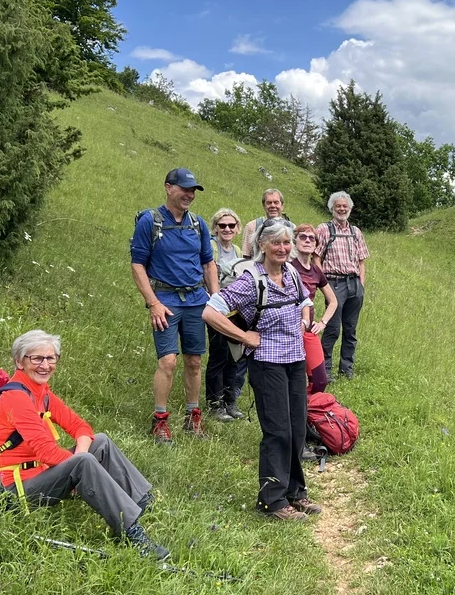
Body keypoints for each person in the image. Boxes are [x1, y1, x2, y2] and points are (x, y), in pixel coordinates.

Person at [0, 330, 169, 559]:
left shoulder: (40, 392)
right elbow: (47, 453)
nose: (45, 365)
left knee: (100, 442)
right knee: (82, 462)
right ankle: (132, 533)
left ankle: (144, 503)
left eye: (51, 358)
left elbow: (81, 427)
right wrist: (81, 461)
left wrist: (82, 456)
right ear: (19, 362)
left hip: (40, 474)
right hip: (16, 489)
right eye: (36, 358)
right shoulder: (17, 397)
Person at [203, 219, 322, 521]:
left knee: (296, 428)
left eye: (286, 243)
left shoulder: (292, 273)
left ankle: (296, 493)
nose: (283, 248)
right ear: (262, 246)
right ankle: (271, 500)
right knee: (277, 431)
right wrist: (244, 337)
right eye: (276, 243)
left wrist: (305, 321)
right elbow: (210, 310)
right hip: (266, 362)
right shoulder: (250, 280)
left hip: (294, 361)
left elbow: (306, 301)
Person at [130, 168, 218, 444]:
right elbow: (137, 265)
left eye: (193, 190)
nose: (189, 195)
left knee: (194, 361)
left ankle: (193, 417)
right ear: (169, 188)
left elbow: (208, 263)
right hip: (165, 302)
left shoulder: (198, 224)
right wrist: (152, 303)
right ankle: (160, 420)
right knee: (168, 360)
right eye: (185, 189)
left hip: (196, 300)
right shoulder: (150, 221)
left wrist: (215, 299)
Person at [315, 191, 369, 380]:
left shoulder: (356, 232)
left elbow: (362, 261)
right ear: (332, 208)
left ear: (350, 209)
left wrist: (361, 285)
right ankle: (326, 370)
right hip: (334, 283)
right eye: (338, 205)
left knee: (350, 329)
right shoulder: (324, 229)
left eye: (345, 206)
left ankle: (346, 370)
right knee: (332, 329)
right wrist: (324, 285)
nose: (342, 208)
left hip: (354, 284)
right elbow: (316, 258)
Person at [205, 208, 249, 421]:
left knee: (235, 355)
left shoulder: (238, 251)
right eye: (222, 225)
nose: (227, 229)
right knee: (219, 354)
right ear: (215, 227)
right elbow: (205, 274)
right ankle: (215, 404)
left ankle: (230, 401)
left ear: (237, 228)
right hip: (216, 308)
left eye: (231, 225)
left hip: (236, 310)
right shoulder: (211, 247)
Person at [291, 223, 338, 393]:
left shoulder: (316, 271)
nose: (307, 240)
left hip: (309, 331)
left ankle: (309, 411)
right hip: (289, 331)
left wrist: (323, 322)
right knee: (293, 380)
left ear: (316, 244)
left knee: (319, 380)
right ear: (295, 241)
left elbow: (333, 301)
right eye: (303, 237)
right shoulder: (288, 267)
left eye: (312, 238)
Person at [241, 188, 290, 258]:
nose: (273, 206)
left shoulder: (291, 227)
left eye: (276, 202)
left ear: (282, 206)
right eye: (269, 203)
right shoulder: (252, 227)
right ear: (264, 206)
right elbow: (246, 255)